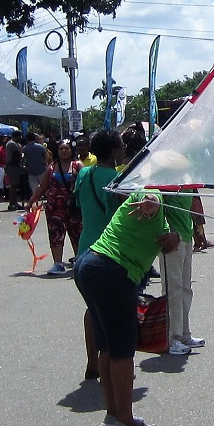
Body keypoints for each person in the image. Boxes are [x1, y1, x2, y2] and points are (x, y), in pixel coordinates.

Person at [73, 191, 179, 426]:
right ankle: (125, 420)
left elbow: (164, 240)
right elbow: (150, 200)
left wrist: (173, 236)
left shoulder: (160, 216)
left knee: (108, 347)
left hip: (91, 265)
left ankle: (113, 415)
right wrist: (151, 203)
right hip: (112, 272)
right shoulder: (147, 195)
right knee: (122, 350)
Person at [74, 130, 126, 378]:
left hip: (84, 246)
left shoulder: (83, 173)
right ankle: (115, 364)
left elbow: (78, 204)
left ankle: (92, 362)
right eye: (122, 146)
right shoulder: (116, 179)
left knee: (92, 309)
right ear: (115, 152)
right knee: (113, 313)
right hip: (109, 250)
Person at [27, 139, 83, 275]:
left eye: (66, 149)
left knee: (76, 233)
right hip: (54, 208)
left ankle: (79, 260)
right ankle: (58, 263)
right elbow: (42, 187)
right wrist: (31, 201)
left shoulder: (78, 166)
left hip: (73, 207)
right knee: (55, 234)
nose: (63, 152)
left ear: (72, 150)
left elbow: (85, 183)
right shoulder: (52, 167)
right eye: (61, 149)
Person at [161, 191, 206, 355]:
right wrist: (166, 232)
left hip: (186, 235)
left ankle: (184, 334)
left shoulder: (187, 178)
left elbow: (193, 205)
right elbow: (158, 208)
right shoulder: (166, 177)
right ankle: (171, 339)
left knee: (185, 289)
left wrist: (197, 230)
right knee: (173, 290)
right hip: (172, 239)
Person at [23, 132, 50, 197]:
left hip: (31, 171)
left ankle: (35, 204)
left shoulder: (24, 148)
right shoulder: (41, 147)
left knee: (34, 190)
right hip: (41, 169)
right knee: (45, 186)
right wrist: (45, 163)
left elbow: (23, 159)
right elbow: (46, 156)